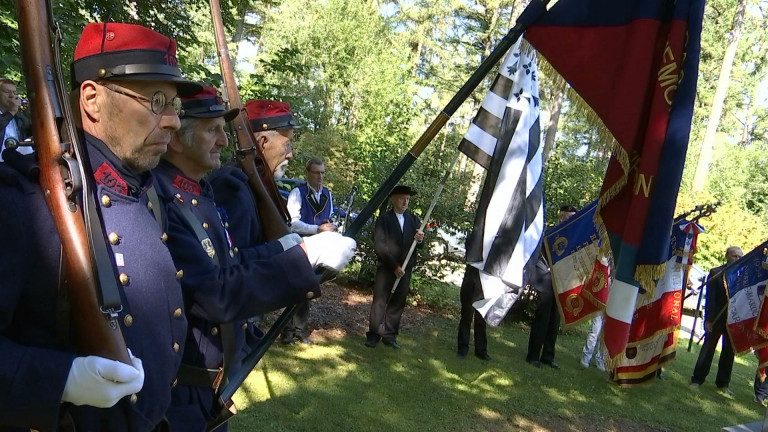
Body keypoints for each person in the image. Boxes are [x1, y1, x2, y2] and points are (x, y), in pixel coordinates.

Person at [0, 22, 202, 432]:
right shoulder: (22, 202)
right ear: (92, 99)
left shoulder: (143, 190)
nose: (173, 122)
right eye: (157, 101)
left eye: (174, 106)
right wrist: (59, 379)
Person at [153, 86, 355, 431]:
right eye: (211, 129)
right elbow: (219, 287)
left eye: (224, 129)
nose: (224, 141)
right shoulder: (178, 195)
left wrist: (284, 247)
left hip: (209, 382)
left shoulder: (198, 191)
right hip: (183, 386)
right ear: (177, 139)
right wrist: (303, 256)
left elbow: (231, 260)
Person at [281, 157, 338, 345]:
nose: (320, 176)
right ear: (308, 173)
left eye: (323, 172)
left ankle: (300, 329)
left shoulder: (328, 194)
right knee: (294, 287)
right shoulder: (298, 193)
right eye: (316, 172)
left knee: (309, 288)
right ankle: (286, 331)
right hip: (300, 245)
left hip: (320, 248)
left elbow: (327, 218)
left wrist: (331, 228)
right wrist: (317, 229)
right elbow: (293, 224)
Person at [365, 185, 425, 349]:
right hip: (387, 267)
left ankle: (389, 335)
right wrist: (394, 266)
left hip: (405, 269)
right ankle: (374, 334)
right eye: (402, 198)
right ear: (393, 199)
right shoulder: (384, 219)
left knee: (398, 302)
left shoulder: (413, 220)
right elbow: (380, 244)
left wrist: (420, 239)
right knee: (380, 301)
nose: (405, 201)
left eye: (407, 199)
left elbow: (418, 245)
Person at [526, 204, 577, 369]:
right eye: (569, 217)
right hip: (546, 282)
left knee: (554, 320)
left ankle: (548, 356)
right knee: (542, 319)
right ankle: (533, 355)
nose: (571, 220)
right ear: (561, 217)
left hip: (562, 283)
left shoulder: (574, 238)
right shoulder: (550, 234)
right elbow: (539, 258)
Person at [690, 245, 744, 395]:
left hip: (733, 321)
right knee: (708, 349)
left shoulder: (744, 277)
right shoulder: (716, 273)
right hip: (716, 319)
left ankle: (723, 383)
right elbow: (710, 300)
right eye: (735, 256)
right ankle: (697, 379)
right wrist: (708, 320)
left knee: (728, 353)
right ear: (727, 256)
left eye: (740, 256)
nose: (738, 259)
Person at [456, 265, 492, 361]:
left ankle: (481, 351)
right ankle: (462, 349)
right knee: (466, 315)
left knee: (481, 318)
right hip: (471, 276)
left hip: (485, 278)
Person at [0, 77, 33, 161]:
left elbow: (31, 133)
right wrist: (11, 111)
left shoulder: (18, 116)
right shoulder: (13, 112)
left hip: (18, 161)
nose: (12, 95)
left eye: (14, 92)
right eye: (7, 92)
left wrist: (32, 114)